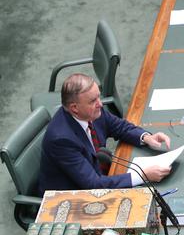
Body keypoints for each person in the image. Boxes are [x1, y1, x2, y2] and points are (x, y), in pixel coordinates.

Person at [38, 73, 171, 194]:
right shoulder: (61, 140)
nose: (100, 104)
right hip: (70, 198)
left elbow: (119, 126)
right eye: (93, 101)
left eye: (98, 97)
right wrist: (143, 175)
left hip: (96, 179)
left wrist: (146, 137)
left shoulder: (91, 113)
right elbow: (93, 184)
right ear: (74, 108)